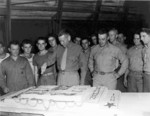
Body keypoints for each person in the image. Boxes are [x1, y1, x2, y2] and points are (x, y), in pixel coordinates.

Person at [140, 28, 150, 92]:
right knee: (146, 97)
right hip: (146, 76)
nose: (141, 39)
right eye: (141, 36)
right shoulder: (143, 49)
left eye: (144, 36)